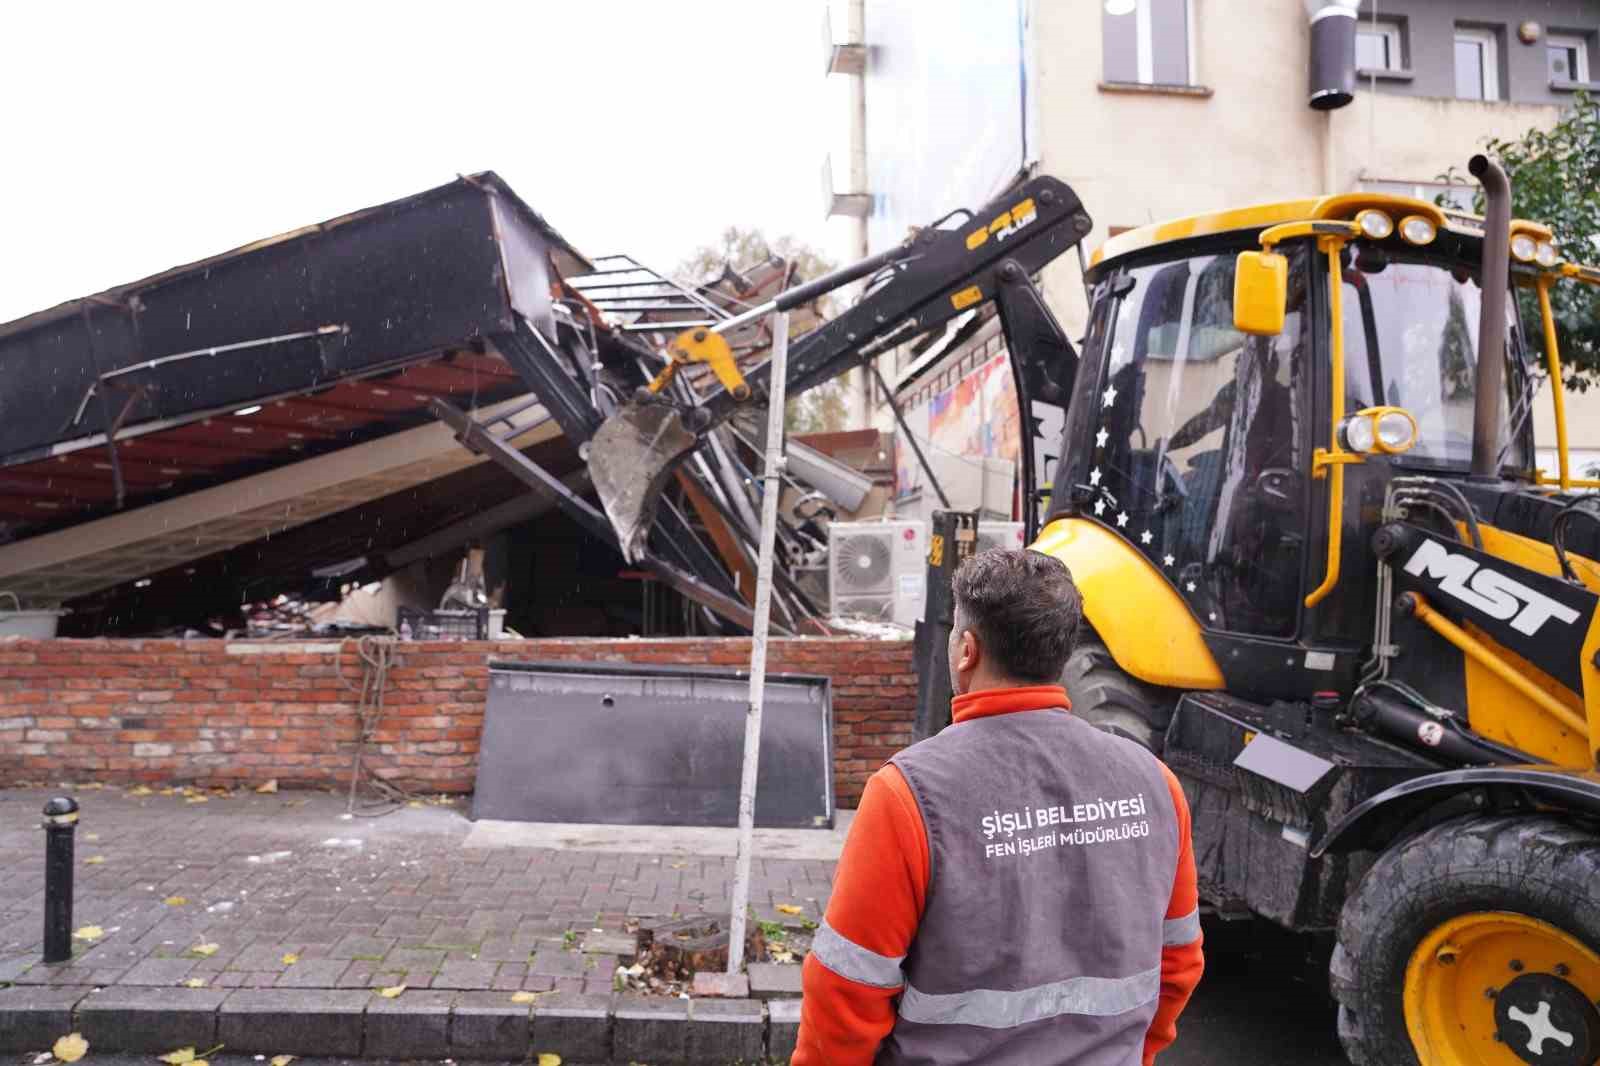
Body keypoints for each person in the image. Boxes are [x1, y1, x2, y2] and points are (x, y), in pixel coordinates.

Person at [794, 549, 1203, 1065]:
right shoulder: (1156, 785)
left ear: (967, 650)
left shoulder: (907, 797)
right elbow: (1179, 964)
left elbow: (845, 995)